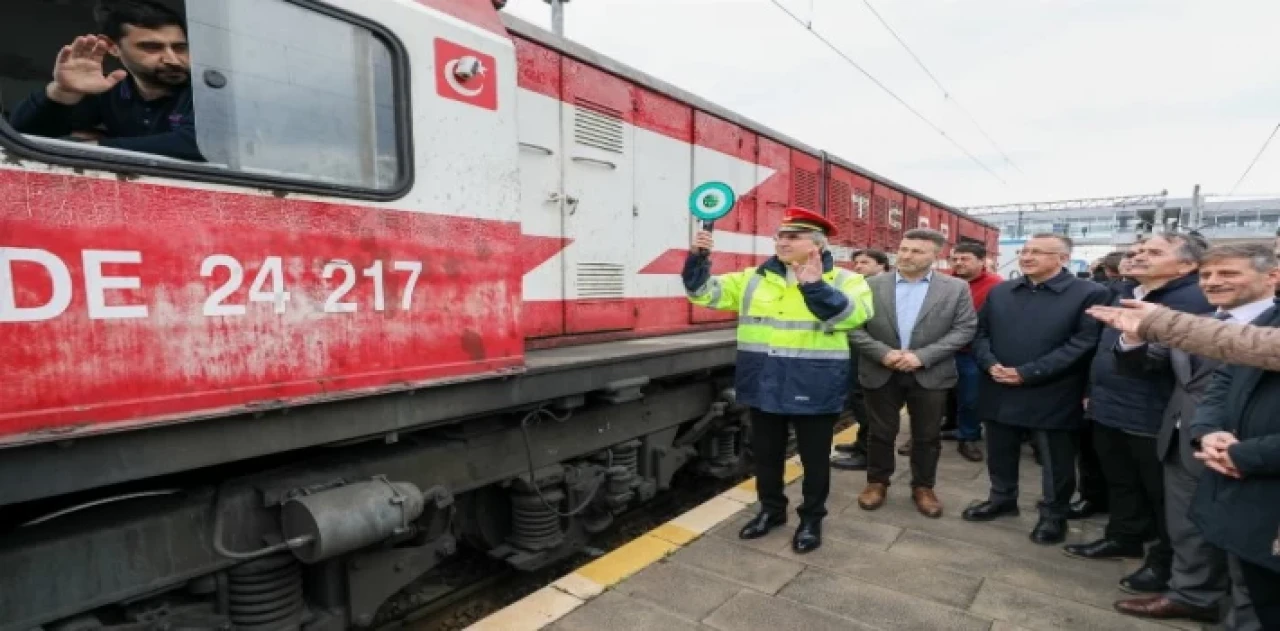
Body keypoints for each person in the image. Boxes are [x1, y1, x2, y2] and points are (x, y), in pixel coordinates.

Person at [683, 206, 873, 553]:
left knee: (815, 460)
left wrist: (814, 287)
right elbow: (703, 293)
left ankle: (812, 519)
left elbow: (853, 317)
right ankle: (771, 512)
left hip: (813, 383)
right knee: (766, 455)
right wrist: (698, 259)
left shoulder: (847, 280)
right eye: (780, 236)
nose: (782, 242)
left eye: (792, 237)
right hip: (764, 382)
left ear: (817, 244)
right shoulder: (754, 277)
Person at [1089, 292, 1280, 630]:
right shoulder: (1265, 320)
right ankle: (1200, 598)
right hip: (1210, 443)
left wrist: (1247, 452)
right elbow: (1234, 366)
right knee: (1234, 556)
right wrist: (1207, 430)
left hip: (1255, 458)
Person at [1065, 233, 1213, 595]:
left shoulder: (1195, 302)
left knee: (1164, 495)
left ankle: (1164, 564)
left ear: (1187, 265)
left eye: (1153, 252)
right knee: (1122, 479)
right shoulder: (1128, 293)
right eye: (1138, 251)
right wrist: (1090, 393)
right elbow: (1106, 348)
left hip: (1157, 415)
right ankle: (1123, 536)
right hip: (1110, 405)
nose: (1139, 257)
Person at [962, 233, 1110, 544]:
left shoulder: (1090, 293)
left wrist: (1028, 373)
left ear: (1063, 259)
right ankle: (1002, 499)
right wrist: (990, 365)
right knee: (1000, 450)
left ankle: (1053, 515)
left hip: (1054, 390)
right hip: (999, 384)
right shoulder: (1003, 291)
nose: (1027, 257)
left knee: (1056, 461)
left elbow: (1084, 343)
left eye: (1039, 252)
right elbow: (981, 334)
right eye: (1026, 251)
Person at [850, 229, 977, 518]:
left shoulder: (955, 288)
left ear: (936, 255)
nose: (906, 255)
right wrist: (883, 353)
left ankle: (923, 486)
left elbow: (965, 329)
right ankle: (877, 482)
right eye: (904, 249)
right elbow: (853, 327)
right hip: (881, 369)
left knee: (927, 434)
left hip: (931, 372)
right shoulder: (871, 284)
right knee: (880, 432)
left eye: (917, 251)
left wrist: (922, 357)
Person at [8, 0, 202, 162]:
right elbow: (23, 134)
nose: (173, 59)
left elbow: (200, 144)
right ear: (113, 47)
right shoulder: (111, 91)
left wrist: (101, 146)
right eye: (151, 47)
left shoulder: (209, 91)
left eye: (179, 48)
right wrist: (62, 92)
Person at [831, 248, 889, 471]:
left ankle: (868, 454)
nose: (858, 266)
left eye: (865, 262)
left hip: (871, 351)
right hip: (858, 349)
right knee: (858, 398)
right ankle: (861, 443)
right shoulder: (862, 285)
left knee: (866, 402)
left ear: (881, 265)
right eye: (856, 262)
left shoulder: (880, 287)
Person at [946, 241, 1002, 462]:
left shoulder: (997, 286)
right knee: (933, 396)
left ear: (982, 261)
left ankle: (968, 436)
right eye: (955, 259)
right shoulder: (944, 282)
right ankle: (932, 433)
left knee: (970, 397)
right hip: (942, 349)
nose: (958, 263)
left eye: (965, 259)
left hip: (972, 351)